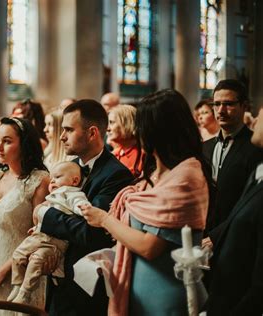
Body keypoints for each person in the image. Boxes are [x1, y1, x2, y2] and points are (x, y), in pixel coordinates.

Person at [82, 89, 211, 316]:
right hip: (136, 291)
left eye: (142, 125)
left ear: (157, 131)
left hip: (164, 296)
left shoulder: (186, 176)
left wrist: (104, 219)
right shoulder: (154, 173)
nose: (139, 132)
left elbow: (149, 247)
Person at [36, 99, 134, 315]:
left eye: (69, 130)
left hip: (86, 290)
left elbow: (91, 232)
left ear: (92, 133)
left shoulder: (116, 175)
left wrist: (45, 215)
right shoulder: (68, 169)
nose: (62, 137)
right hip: (56, 283)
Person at [0, 117, 49, 315]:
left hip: (20, 276)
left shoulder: (39, 181)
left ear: (24, 145)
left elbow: (38, 235)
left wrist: (5, 271)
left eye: (7, 141)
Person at [205, 103, 263, 315]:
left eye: (260, 115)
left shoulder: (252, 153)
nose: (254, 121)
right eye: (216, 104)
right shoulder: (260, 172)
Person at [8, 161, 90, 304]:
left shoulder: (71, 193)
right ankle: (17, 284)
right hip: (40, 236)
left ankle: (25, 292)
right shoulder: (52, 196)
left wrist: (83, 209)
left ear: (75, 180)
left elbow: (80, 205)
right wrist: (37, 226)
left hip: (55, 241)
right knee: (18, 255)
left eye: (57, 177)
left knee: (37, 260)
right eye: (51, 178)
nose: (52, 181)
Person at [203, 79, 263, 236]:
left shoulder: (256, 147)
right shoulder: (204, 147)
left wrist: (219, 235)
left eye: (228, 104)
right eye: (216, 104)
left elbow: (252, 204)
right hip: (203, 232)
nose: (221, 110)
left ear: (244, 106)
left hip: (237, 236)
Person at [107, 104, 143, 177]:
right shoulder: (113, 154)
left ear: (127, 123)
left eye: (112, 122)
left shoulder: (143, 155)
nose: (107, 128)